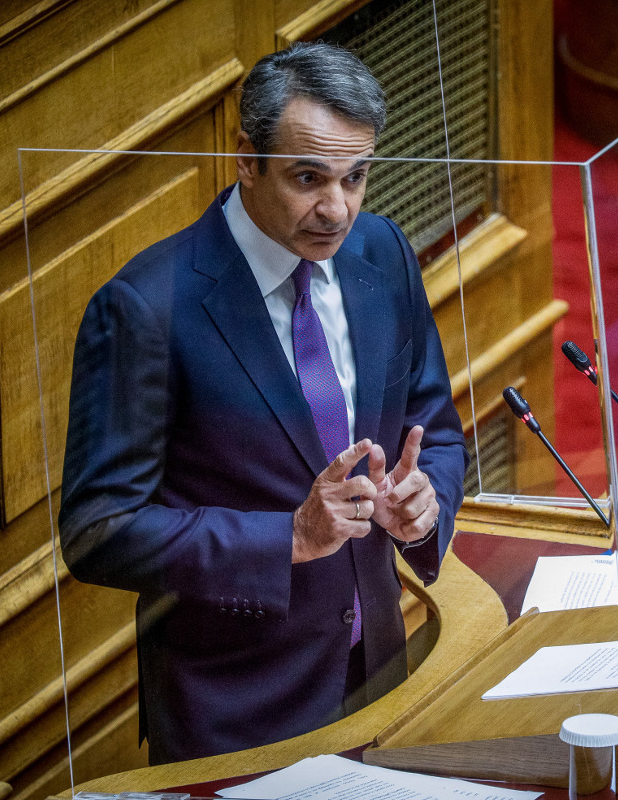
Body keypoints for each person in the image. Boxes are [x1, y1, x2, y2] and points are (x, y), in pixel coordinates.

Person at [58, 41, 468, 765]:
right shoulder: (146, 308)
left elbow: (431, 429)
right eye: (309, 178)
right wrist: (289, 538)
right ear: (247, 159)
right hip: (235, 709)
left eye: (356, 177)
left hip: (378, 670)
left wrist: (424, 500)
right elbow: (99, 530)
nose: (337, 209)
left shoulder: (382, 252)